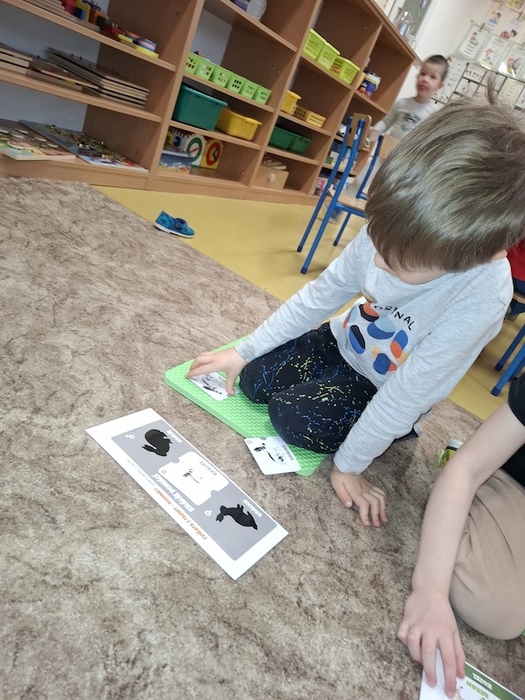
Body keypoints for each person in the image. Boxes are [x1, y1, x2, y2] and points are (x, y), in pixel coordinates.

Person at [187, 94, 525, 528]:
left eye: (399, 262)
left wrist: (350, 465)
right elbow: (320, 296)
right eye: (377, 239)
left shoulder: (482, 296)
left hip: (383, 385)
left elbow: (407, 394)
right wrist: (244, 350)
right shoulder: (396, 225)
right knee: (253, 379)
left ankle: (392, 434)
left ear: (480, 253)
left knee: (293, 419)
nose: (378, 262)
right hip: (343, 341)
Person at [398, 378, 525, 698]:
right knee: (495, 611)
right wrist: (429, 590)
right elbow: (468, 469)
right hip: (509, 480)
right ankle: (457, 496)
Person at [345, 54, 448, 197]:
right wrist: (375, 131)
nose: (425, 79)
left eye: (432, 77)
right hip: (385, 154)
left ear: (439, 86)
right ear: (417, 76)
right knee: (360, 180)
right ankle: (342, 203)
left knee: (388, 194)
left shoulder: (434, 114)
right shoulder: (402, 103)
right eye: (423, 74)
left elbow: (430, 141)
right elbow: (386, 122)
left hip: (407, 163)